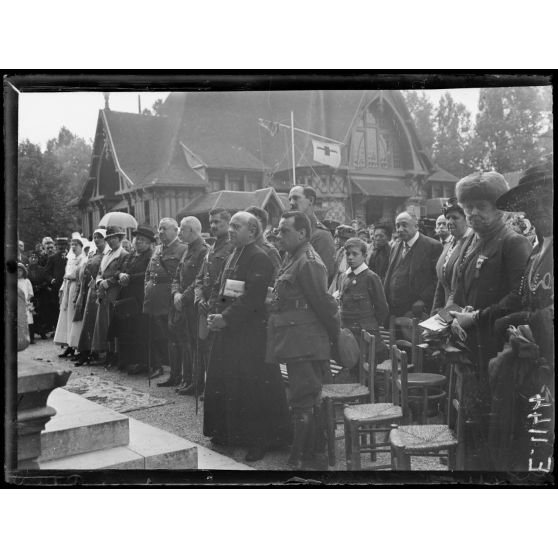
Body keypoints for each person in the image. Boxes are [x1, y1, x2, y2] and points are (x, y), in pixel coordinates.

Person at [447, 171, 533, 470]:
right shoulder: (473, 243)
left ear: (500, 208)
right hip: (473, 346)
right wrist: (452, 317)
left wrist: (478, 317)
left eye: (480, 206)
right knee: (473, 421)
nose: (472, 213)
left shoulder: (513, 242)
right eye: (468, 206)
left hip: (497, 349)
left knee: (495, 425)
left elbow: (519, 297)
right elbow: (460, 290)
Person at [204, 211, 291, 461]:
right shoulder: (234, 253)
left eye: (236, 226)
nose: (230, 229)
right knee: (231, 383)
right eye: (230, 225)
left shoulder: (259, 257)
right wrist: (217, 312)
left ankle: (261, 440)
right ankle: (232, 434)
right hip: (230, 329)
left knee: (254, 387)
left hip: (251, 333)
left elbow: (252, 297)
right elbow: (226, 289)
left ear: (252, 232)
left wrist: (226, 317)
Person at [488, 158, 554, 471]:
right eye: (531, 203)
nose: (537, 209)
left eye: (546, 199)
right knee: (528, 444)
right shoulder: (536, 247)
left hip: (549, 367)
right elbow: (527, 300)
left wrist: (523, 321)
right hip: (529, 364)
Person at [267, 211, 340, 469]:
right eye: (278, 230)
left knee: (303, 399)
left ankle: (300, 457)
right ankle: (309, 451)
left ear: (302, 233)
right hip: (294, 339)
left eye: (284, 231)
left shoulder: (308, 261)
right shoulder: (292, 257)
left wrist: (334, 339)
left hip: (306, 342)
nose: (278, 235)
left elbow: (324, 305)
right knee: (303, 398)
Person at [194, 208, 234, 398]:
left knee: (220, 351)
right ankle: (210, 387)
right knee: (206, 348)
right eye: (211, 222)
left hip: (220, 307)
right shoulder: (211, 249)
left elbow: (228, 284)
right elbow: (200, 278)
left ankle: (218, 390)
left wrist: (214, 303)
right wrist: (199, 297)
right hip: (205, 307)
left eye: (218, 222)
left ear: (228, 224)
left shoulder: (232, 248)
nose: (214, 226)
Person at [166, 217, 208, 391]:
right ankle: (188, 379)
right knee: (186, 343)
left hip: (192, 304)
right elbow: (177, 276)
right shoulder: (188, 249)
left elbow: (200, 279)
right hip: (183, 304)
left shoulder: (203, 250)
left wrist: (182, 297)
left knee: (195, 344)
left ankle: (196, 383)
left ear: (191, 231)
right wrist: (175, 293)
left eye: (182, 229)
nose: (179, 233)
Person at [143, 218, 187, 380]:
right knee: (157, 335)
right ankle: (163, 368)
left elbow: (182, 276)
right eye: (159, 229)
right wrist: (146, 290)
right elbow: (149, 273)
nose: (160, 232)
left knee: (173, 337)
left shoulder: (182, 249)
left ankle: (177, 372)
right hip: (154, 300)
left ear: (176, 231)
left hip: (169, 299)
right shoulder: (157, 249)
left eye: (164, 229)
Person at [338, 237, 389, 372]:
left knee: (368, 370)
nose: (350, 258)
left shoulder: (371, 277)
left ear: (365, 256)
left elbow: (382, 307)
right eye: (347, 254)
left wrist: (371, 324)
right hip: (348, 332)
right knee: (352, 367)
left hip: (366, 332)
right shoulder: (343, 277)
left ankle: (374, 392)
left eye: (355, 254)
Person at [383, 211, 442, 320]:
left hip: (417, 312)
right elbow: (389, 275)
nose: (400, 229)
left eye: (404, 225)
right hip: (394, 311)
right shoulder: (395, 247)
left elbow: (437, 279)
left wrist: (423, 300)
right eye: (397, 226)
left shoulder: (433, 246)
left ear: (416, 226)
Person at [113, 225, 155, 375]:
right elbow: (117, 269)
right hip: (126, 297)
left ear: (150, 243)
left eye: (142, 240)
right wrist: (120, 276)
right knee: (126, 328)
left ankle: (141, 362)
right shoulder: (130, 255)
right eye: (137, 239)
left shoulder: (150, 256)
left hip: (140, 296)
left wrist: (129, 278)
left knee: (139, 329)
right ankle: (127, 360)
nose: (138, 242)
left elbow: (148, 274)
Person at [91, 226, 129, 365]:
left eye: (114, 238)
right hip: (103, 291)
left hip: (115, 291)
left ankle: (116, 353)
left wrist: (108, 282)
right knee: (103, 322)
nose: (112, 241)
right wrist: (100, 281)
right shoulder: (107, 254)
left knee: (112, 321)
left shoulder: (123, 254)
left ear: (119, 239)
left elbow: (122, 271)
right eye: (109, 239)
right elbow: (100, 272)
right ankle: (107, 351)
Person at [431, 198, 472, 313]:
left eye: (455, 218)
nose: (450, 222)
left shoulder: (473, 242)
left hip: (462, 311)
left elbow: (458, 288)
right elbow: (441, 284)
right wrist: (434, 312)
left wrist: (444, 316)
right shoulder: (449, 244)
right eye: (448, 218)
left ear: (467, 219)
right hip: (446, 310)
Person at [75, 229, 109, 366]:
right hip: (90, 290)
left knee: (97, 322)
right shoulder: (92, 253)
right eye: (94, 237)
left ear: (105, 239)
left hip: (100, 289)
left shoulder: (108, 254)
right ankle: (85, 351)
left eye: (99, 237)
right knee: (88, 321)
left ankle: (95, 351)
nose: (96, 239)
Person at [288, 185, 336, 283]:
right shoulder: (294, 233)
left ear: (310, 200)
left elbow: (322, 278)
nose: (291, 203)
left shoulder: (321, 236)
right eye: (290, 199)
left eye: (296, 198)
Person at [54, 235, 86, 357]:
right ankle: (68, 345)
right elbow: (65, 276)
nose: (73, 247)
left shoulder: (83, 259)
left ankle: (76, 345)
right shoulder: (70, 260)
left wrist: (71, 277)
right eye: (72, 245)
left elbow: (80, 276)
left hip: (75, 287)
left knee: (74, 316)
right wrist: (62, 289)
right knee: (66, 316)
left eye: (76, 245)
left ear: (81, 246)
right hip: (68, 287)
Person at [245, 205, 282, 279]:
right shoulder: (242, 247)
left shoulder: (270, 252)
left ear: (260, 226)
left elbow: (276, 280)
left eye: (249, 223)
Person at [43, 237, 67, 334]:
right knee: (57, 308)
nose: (61, 247)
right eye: (59, 246)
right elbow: (46, 273)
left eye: (63, 245)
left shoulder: (71, 256)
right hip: (57, 288)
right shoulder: (52, 258)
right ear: (56, 246)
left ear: (66, 246)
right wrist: (51, 279)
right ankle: (59, 331)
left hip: (69, 286)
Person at [27, 251, 50, 339]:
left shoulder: (42, 269)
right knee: (31, 313)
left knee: (42, 313)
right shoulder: (26, 270)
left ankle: (42, 332)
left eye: (35, 258)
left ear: (38, 259)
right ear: (29, 259)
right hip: (31, 295)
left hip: (41, 294)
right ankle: (31, 333)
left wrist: (40, 286)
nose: (33, 259)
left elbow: (46, 280)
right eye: (31, 257)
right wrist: (32, 287)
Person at [328, 224, 356, 294]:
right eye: (337, 238)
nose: (337, 241)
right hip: (338, 280)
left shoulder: (353, 252)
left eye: (340, 238)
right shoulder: (340, 251)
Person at [17, 262, 35, 344]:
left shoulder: (27, 281)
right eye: (16, 270)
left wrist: (26, 300)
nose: (18, 272)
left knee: (29, 320)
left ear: (24, 271)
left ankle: (31, 338)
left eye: (20, 270)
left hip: (26, 303)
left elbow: (31, 293)